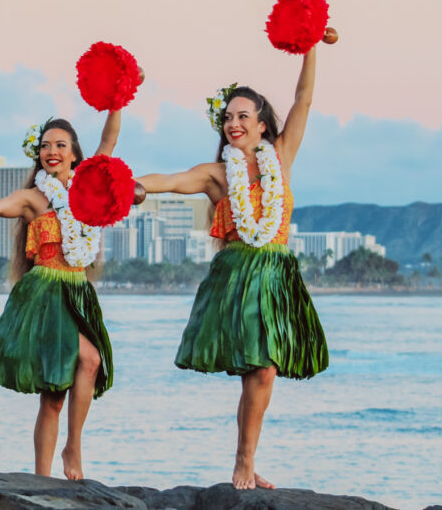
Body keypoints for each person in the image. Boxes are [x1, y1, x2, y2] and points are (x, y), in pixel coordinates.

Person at [136, 45, 329, 489]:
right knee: (258, 370)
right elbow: (169, 181)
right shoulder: (217, 174)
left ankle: (246, 458)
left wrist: (311, 45)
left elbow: (304, 99)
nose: (234, 123)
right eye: (228, 117)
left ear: (262, 125)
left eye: (243, 116)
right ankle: (244, 461)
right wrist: (127, 185)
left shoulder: (281, 156)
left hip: (277, 277)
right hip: (238, 279)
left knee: (261, 371)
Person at [0, 108, 124, 481]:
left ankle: (71, 448)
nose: (52, 151)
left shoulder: (88, 187)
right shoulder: (33, 197)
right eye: (45, 146)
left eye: (60, 145)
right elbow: (1, 207)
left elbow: (109, 141)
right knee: (64, 384)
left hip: (77, 292)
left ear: (74, 153)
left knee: (81, 369)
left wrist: (117, 101)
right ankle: (45, 475)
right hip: (45, 297)